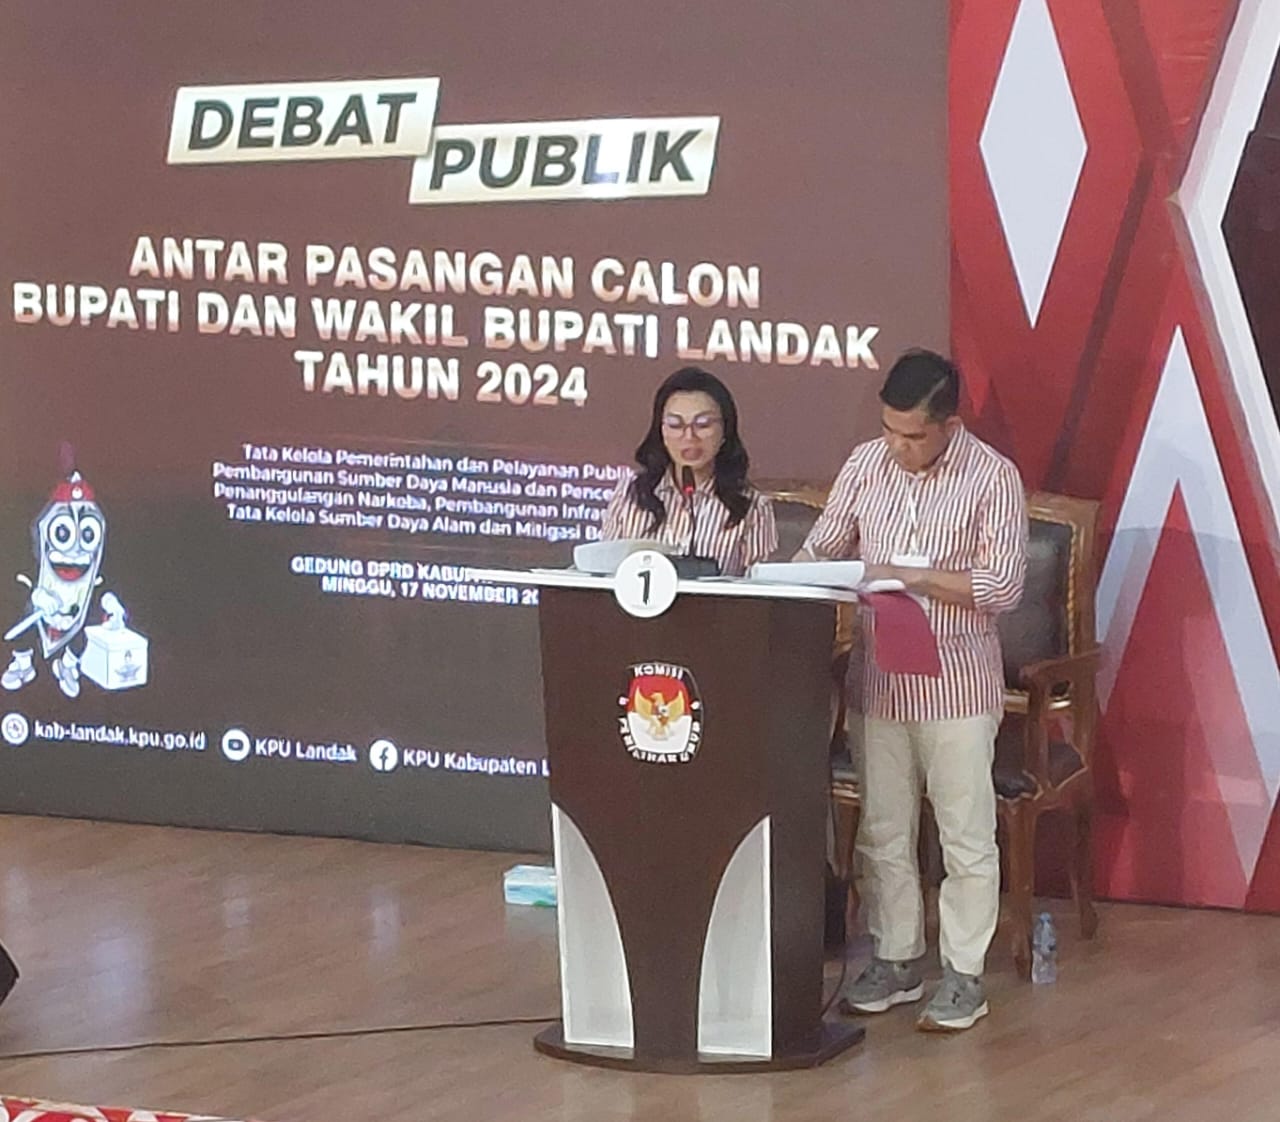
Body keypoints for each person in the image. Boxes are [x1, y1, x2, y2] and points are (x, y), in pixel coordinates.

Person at [798, 348, 1026, 1032]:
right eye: (890, 430)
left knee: (965, 836)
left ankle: (963, 974)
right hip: (880, 683)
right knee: (884, 830)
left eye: (914, 435)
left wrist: (913, 577)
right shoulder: (866, 465)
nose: (898, 446)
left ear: (949, 425)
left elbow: (1003, 586)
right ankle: (896, 958)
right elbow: (823, 547)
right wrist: (793, 579)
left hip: (957, 686)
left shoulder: (992, 477)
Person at [602, 366, 777, 577]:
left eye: (703, 424)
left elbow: (760, 589)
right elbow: (605, 574)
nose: (689, 436)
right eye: (675, 425)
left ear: (725, 431)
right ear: (661, 431)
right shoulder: (630, 493)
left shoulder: (753, 506)